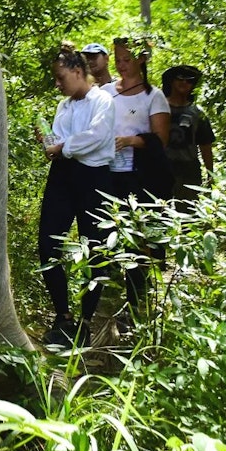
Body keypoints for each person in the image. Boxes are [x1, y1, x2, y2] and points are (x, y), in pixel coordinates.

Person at [36, 43, 116, 349]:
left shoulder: (103, 101)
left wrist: (63, 147)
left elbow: (97, 138)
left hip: (94, 179)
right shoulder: (64, 107)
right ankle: (63, 316)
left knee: (95, 248)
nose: (57, 84)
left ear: (78, 71)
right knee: (48, 243)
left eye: (60, 77)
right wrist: (49, 144)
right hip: (63, 177)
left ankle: (86, 320)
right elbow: (59, 142)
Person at [102, 37, 173, 317]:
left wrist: (131, 140)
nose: (121, 65)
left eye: (127, 60)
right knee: (108, 234)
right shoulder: (107, 91)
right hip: (108, 172)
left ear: (142, 60)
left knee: (139, 237)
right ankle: (107, 298)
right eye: (118, 59)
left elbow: (161, 139)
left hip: (140, 176)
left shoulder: (153, 97)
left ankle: (136, 301)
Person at [162, 65, 215, 204]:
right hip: (161, 169)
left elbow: (205, 146)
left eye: (189, 80)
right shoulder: (158, 107)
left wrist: (211, 176)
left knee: (188, 218)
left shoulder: (197, 113)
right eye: (180, 78)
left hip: (188, 172)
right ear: (172, 81)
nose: (184, 83)